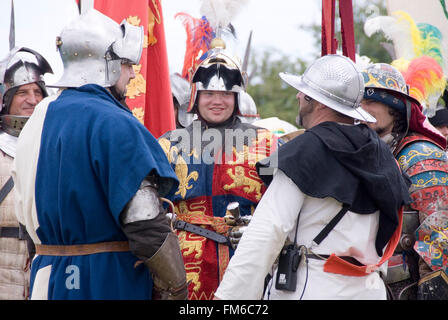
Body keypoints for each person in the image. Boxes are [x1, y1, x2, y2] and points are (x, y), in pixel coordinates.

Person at [12, 9, 187, 300]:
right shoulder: (115, 122)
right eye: (126, 64)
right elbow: (145, 223)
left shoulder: (37, 118)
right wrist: (176, 289)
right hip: (107, 281)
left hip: (47, 277)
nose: (131, 73)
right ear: (105, 63)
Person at [214, 54, 411, 300]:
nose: (298, 96)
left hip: (314, 285)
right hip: (369, 290)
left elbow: (267, 232)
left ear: (318, 102)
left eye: (303, 92)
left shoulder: (305, 150)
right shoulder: (383, 154)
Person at [159, 40, 277, 300]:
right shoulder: (169, 143)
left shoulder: (266, 143)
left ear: (237, 97)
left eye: (225, 94)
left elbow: (283, 207)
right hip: (184, 264)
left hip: (246, 260)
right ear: (196, 96)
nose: (217, 101)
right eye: (209, 94)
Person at [360, 63, 448, 300]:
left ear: (395, 108)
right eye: (358, 102)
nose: (362, 109)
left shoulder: (421, 156)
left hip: (405, 288)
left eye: (371, 101)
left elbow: (440, 238)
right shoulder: (364, 152)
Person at [0, 47, 53, 300]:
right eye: (22, 92)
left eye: (37, 92)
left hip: (43, 277)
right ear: (5, 98)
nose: (32, 100)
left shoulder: (55, 148)